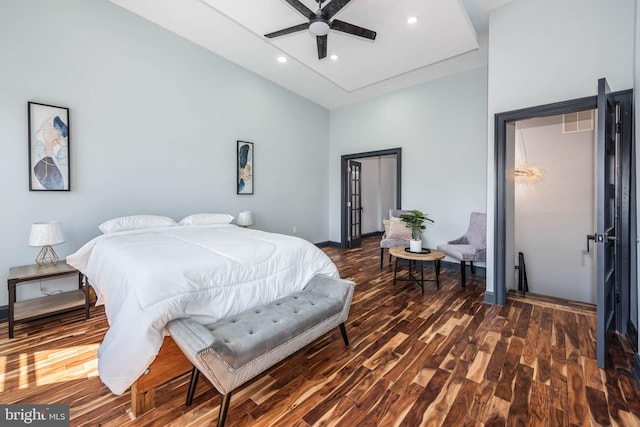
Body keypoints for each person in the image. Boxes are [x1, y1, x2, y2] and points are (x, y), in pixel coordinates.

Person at [33, 116, 67, 190]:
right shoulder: (39, 149)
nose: (56, 135)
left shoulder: (60, 153)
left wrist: (64, 147)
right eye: (50, 132)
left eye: (57, 134)